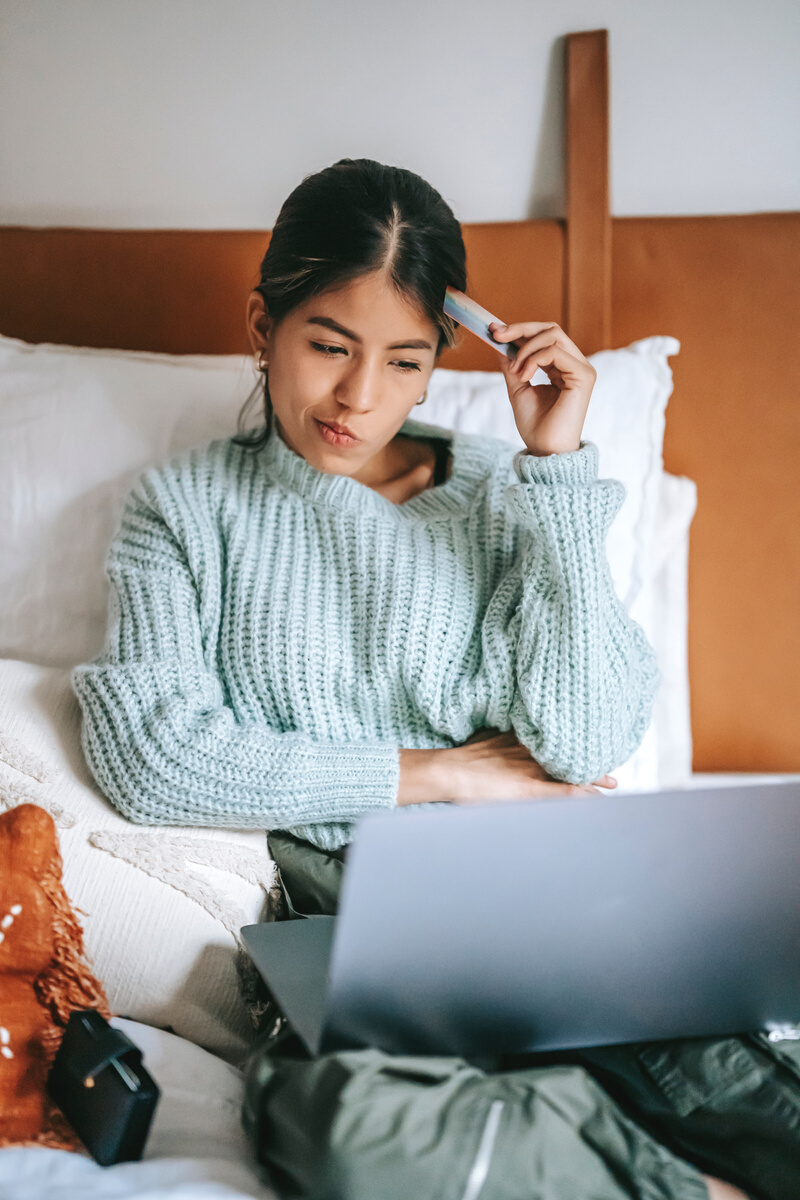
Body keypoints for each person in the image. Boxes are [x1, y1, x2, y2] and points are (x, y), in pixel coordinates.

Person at [73, 159, 774, 1200]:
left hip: (557, 905)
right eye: (327, 346)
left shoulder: (509, 497)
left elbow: (584, 740)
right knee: (339, 1131)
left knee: (757, 1099)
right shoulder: (182, 508)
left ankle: (593, 1139)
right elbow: (153, 757)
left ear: (442, 359)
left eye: (403, 362)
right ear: (263, 326)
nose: (359, 398)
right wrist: (438, 774)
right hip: (349, 930)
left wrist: (557, 468)